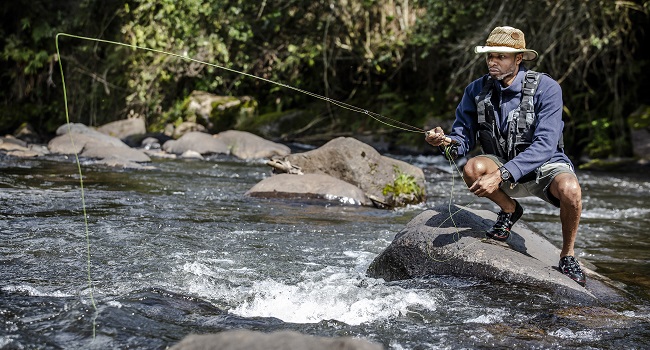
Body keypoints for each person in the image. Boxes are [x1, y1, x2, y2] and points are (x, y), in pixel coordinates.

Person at [425, 26, 586, 286]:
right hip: (503, 164)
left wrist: (500, 174)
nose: (493, 62)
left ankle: (567, 254)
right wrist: (445, 141)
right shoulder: (476, 90)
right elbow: (462, 137)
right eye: (490, 56)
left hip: (544, 166)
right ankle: (510, 210)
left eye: (501, 56)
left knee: (571, 189)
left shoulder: (547, 88)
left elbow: (545, 144)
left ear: (518, 59)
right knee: (471, 169)